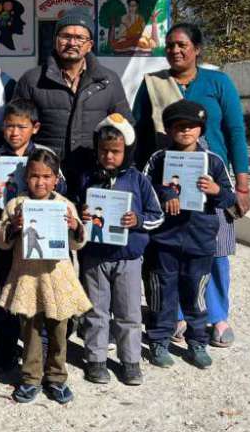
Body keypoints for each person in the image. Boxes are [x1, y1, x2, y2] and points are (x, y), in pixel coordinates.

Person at [133, 22, 250, 347]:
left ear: (197, 49)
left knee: (215, 250)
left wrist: (242, 185)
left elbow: (235, 132)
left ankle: (217, 316)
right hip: (168, 183)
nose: (175, 50)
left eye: (182, 45)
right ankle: (178, 316)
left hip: (211, 182)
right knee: (171, 251)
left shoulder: (218, 82)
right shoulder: (153, 83)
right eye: (170, 45)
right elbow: (139, 132)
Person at [0, 149, 91, 405]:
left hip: (57, 279)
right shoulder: (17, 205)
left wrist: (75, 227)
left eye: (47, 176)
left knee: (59, 331)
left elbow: (78, 243)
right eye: (35, 176)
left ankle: (56, 377)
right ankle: (31, 378)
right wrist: (13, 227)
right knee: (31, 332)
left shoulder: (65, 205)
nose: (40, 182)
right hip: (28, 279)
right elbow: (0, 238)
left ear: (56, 179)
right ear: (26, 177)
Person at [142, 100, 236, 370]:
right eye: (178, 126)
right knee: (162, 291)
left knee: (196, 293)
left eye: (192, 126)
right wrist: (165, 193)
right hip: (164, 240)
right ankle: (159, 340)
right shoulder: (159, 159)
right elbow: (144, 188)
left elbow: (229, 198)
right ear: (169, 130)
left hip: (200, 240)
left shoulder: (213, 161)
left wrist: (215, 190)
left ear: (201, 129)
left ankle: (197, 342)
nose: (185, 131)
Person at [77, 114, 163, 386]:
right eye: (104, 150)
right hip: (95, 258)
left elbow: (157, 215)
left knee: (129, 312)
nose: (109, 156)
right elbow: (74, 210)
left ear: (127, 151)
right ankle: (96, 359)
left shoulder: (138, 180)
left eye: (115, 151)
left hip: (128, 259)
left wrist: (137, 220)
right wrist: (81, 215)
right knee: (96, 311)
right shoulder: (87, 177)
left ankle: (130, 361)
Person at [14, 6, 132, 199]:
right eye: (66, 36)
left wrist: (118, 172)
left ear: (90, 45)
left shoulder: (108, 81)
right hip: (46, 180)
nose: (72, 43)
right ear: (55, 40)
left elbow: (126, 130)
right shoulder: (32, 80)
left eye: (80, 38)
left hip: (93, 177)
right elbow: (16, 128)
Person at [0, 99, 57, 370]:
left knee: (38, 291)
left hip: (38, 238)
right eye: (9, 126)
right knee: (6, 292)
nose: (14, 132)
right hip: (6, 238)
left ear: (35, 127)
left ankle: (39, 348)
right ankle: (6, 348)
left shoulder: (45, 154)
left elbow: (60, 188)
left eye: (21, 127)